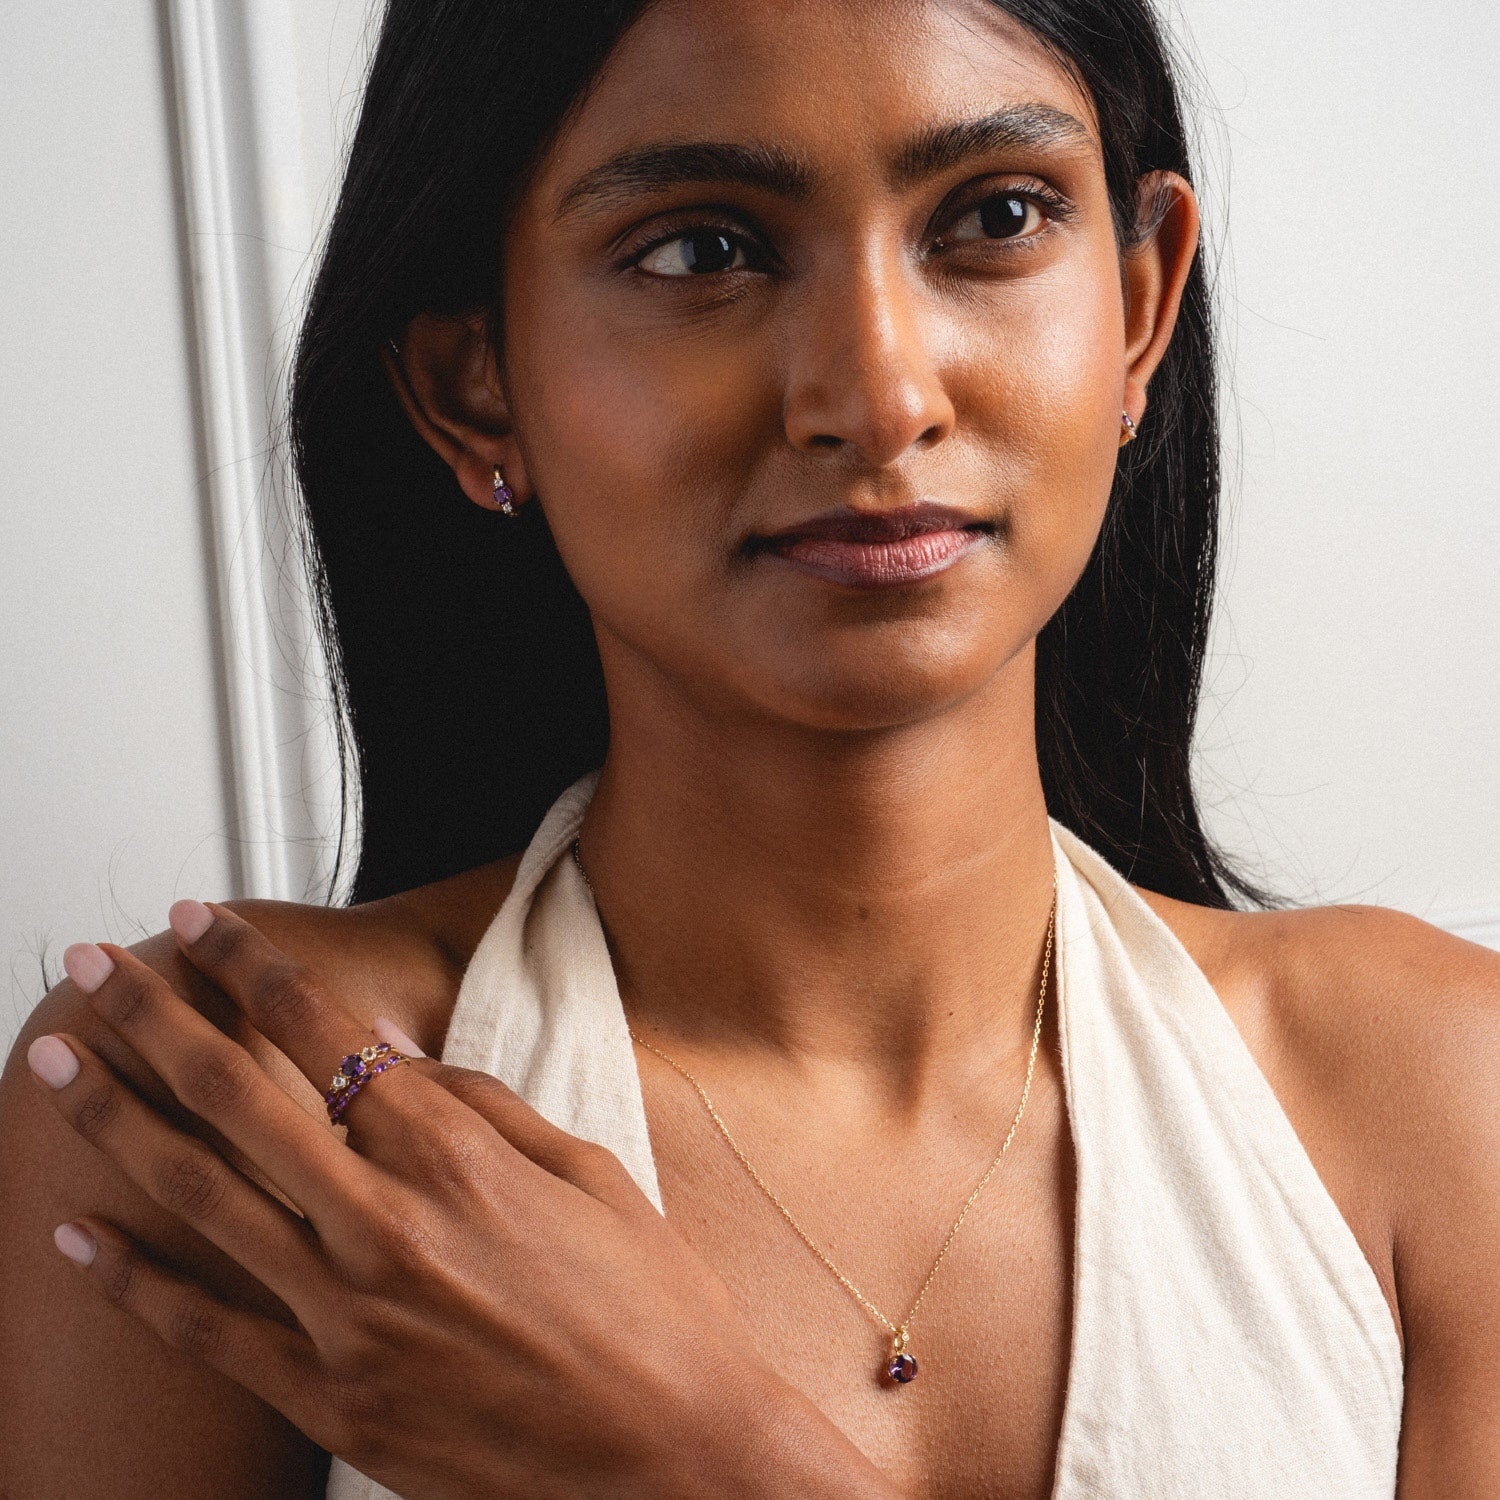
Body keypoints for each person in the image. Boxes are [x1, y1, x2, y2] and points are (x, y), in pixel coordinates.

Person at [1, 0, 1496, 1495]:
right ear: (475, 380)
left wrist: (701, 1458)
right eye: (703, 250)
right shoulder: (231, 1121)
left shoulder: (1435, 1095)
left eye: (992, 217)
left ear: (1140, 305)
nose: (881, 397)